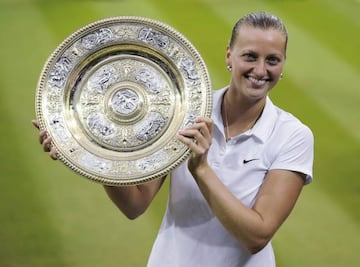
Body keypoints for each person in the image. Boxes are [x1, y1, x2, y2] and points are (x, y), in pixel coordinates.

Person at [33, 11, 314, 267]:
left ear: (283, 64)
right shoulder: (184, 115)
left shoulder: (293, 136)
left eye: (272, 60)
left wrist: (201, 169)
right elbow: (135, 204)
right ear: (229, 56)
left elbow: (257, 235)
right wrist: (95, 151)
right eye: (250, 56)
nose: (261, 70)